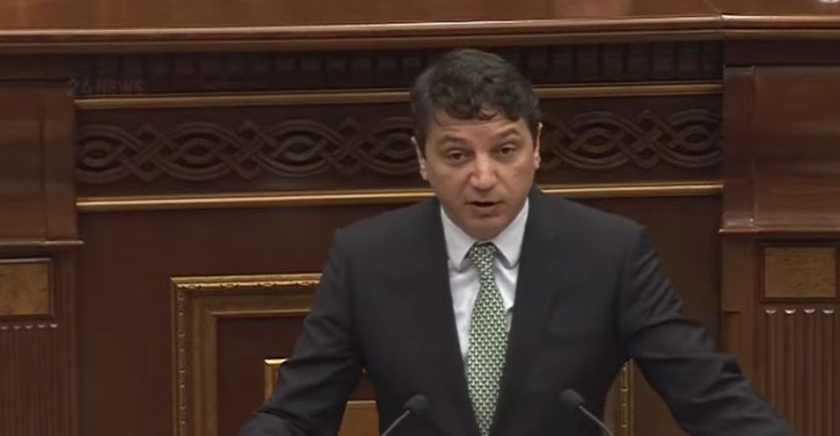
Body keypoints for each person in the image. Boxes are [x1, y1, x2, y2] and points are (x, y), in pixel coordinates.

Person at [239, 48, 794, 436]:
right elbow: (295, 416)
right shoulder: (366, 258)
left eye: (504, 151)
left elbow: (709, 396)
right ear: (422, 160)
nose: (483, 178)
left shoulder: (609, 253)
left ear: (536, 147)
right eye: (457, 155)